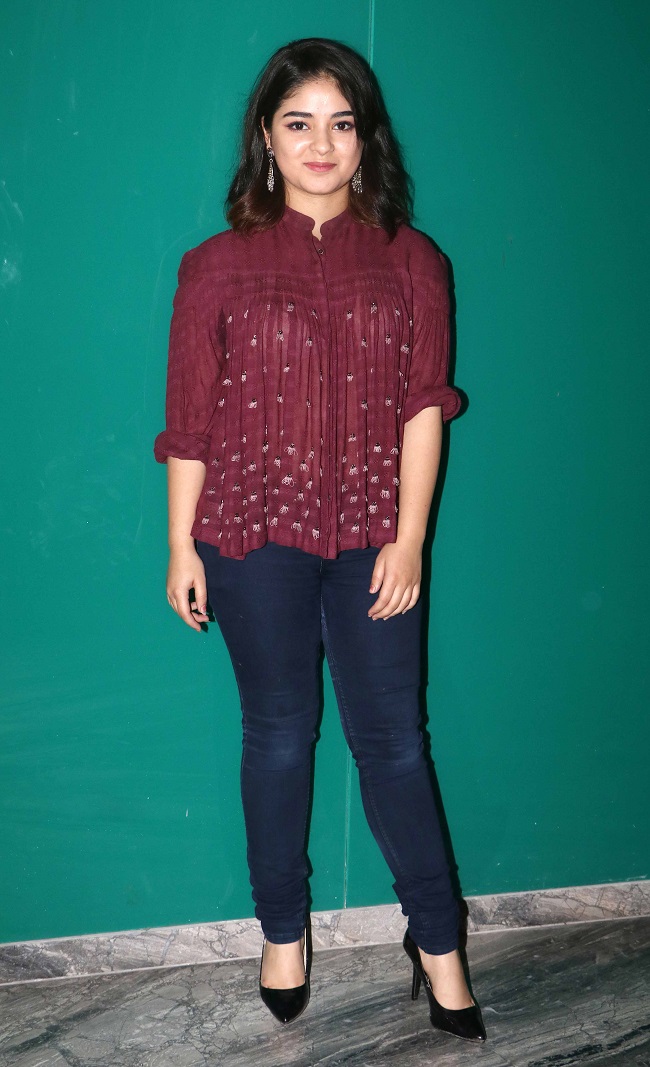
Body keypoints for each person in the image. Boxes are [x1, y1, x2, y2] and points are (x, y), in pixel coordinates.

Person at [154, 37, 486, 1042]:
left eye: (341, 123)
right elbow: (189, 423)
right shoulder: (213, 267)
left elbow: (424, 408)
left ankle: (438, 942)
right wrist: (180, 547)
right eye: (298, 122)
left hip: (375, 536)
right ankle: (282, 928)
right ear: (266, 135)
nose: (320, 143)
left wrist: (410, 539)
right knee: (276, 732)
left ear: (364, 138)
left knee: (394, 741)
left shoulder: (413, 259)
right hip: (250, 533)